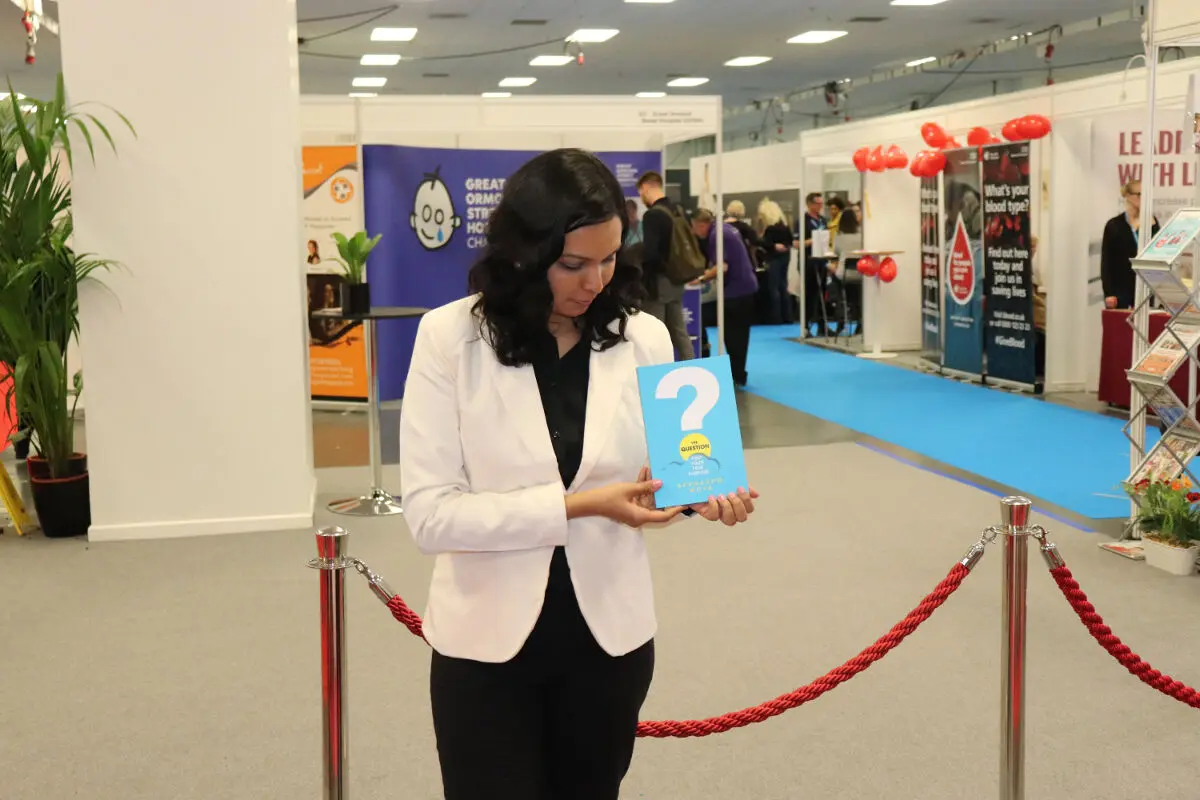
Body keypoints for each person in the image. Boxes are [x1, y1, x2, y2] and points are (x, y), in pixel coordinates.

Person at [399, 148, 759, 800]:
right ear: (523, 253)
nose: (594, 281)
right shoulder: (449, 338)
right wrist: (582, 505)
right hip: (485, 644)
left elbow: (667, 475)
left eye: (609, 258)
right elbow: (431, 516)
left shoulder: (645, 337)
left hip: (609, 641)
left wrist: (698, 496)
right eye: (572, 264)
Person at [690, 208, 759, 387]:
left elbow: (722, 266)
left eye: (694, 228)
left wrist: (701, 279)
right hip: (744, 287)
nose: (694, 233)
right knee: (738, 334)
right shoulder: (726, 228)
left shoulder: (717, 235)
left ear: (701, 225)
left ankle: (730, 370)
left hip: (736, 292)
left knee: (731, 333)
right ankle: (738, 374)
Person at [636, 171, 695, 359]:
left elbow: (651, 254)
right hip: (677, 280)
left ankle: (658, 373)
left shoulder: (652, 215)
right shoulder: (678, 210)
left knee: (654, 334)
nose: (641, 197)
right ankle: (690, 368)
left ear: (646, 187)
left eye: (640, 193)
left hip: (658, 283)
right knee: (679, 331)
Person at [1101, 179, 1160, 310]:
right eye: (1140, 194)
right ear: (1128, 196)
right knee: (1121, 322)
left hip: (1145, 288)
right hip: (1120, 290)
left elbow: (1157, 254)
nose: (1144, 199)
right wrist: (1109, 293)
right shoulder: (1114, 225)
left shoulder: (1151, 222)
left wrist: (1153, 227)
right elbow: (1106, 262)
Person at [757, 199, 795, 324]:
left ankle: (776, 317)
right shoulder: (784, 226)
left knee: (773, 287)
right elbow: (790, 241)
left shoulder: (770, 229)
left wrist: (772, 246)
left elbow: (765, 243)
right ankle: (788, 316)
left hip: (774, 258)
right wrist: (784, 246)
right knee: (783, 285)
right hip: (785, 257)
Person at [800, 192, 834, 334]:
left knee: (822, 294)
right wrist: (812, 241)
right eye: (817, 203)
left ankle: (822, 325)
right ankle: (805, 326)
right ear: (809, 204)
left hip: (822, 260)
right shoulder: (802, 221)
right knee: (809, 294)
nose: (820, 206)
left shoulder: (823, 220)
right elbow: (796, 243)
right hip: (808, 261)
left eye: (821, 203)